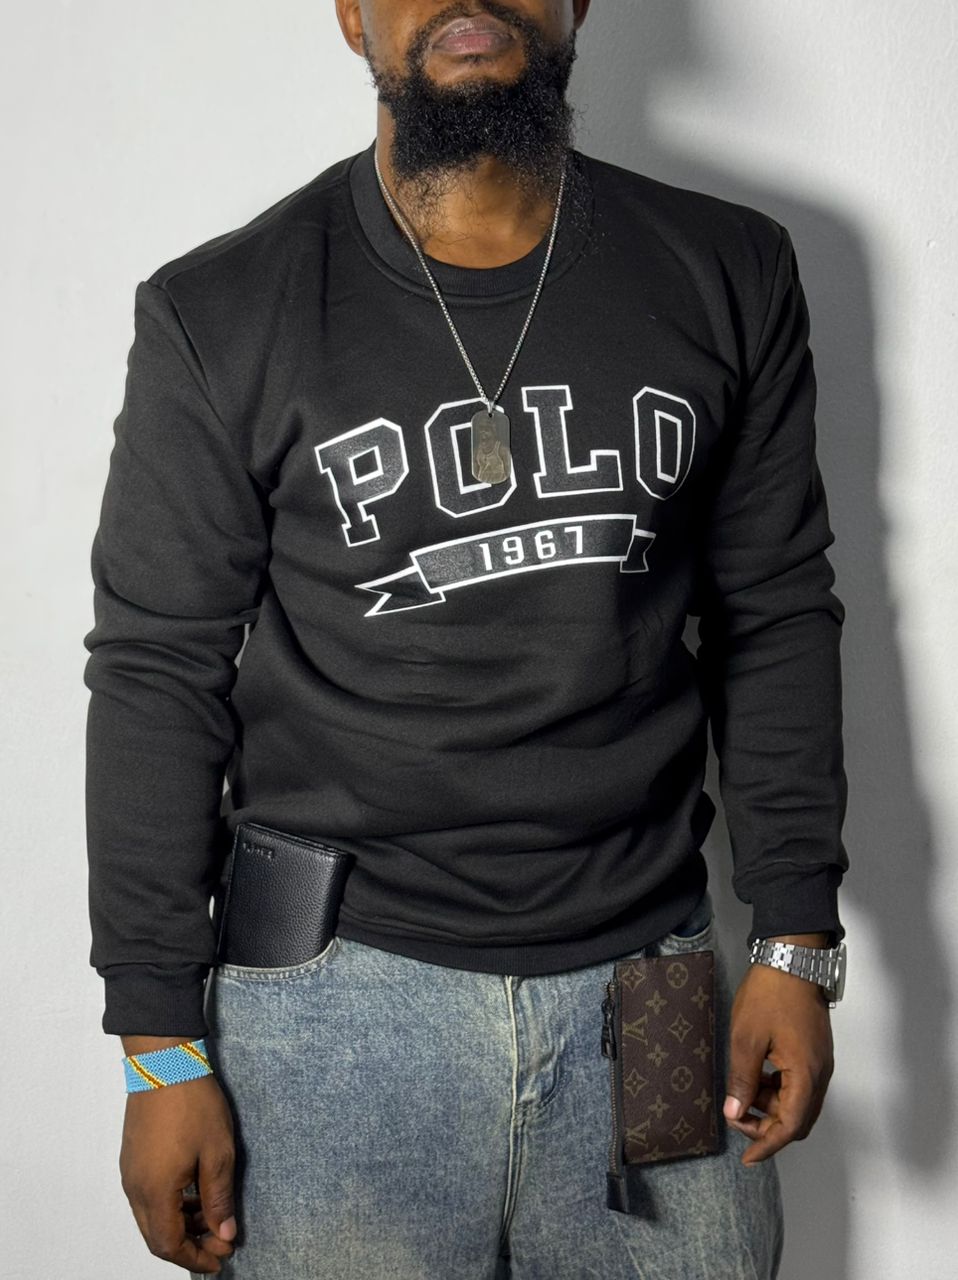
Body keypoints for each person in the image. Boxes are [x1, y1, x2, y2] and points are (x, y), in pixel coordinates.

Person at [82, 2, 850, 1276]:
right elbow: (158, 670)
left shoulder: (726, 266)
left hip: (650, 980)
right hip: (330, 1007)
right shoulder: (221, 308)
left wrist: (796, 937)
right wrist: (158, 1042)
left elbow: (771, 607)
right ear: (349, 15)